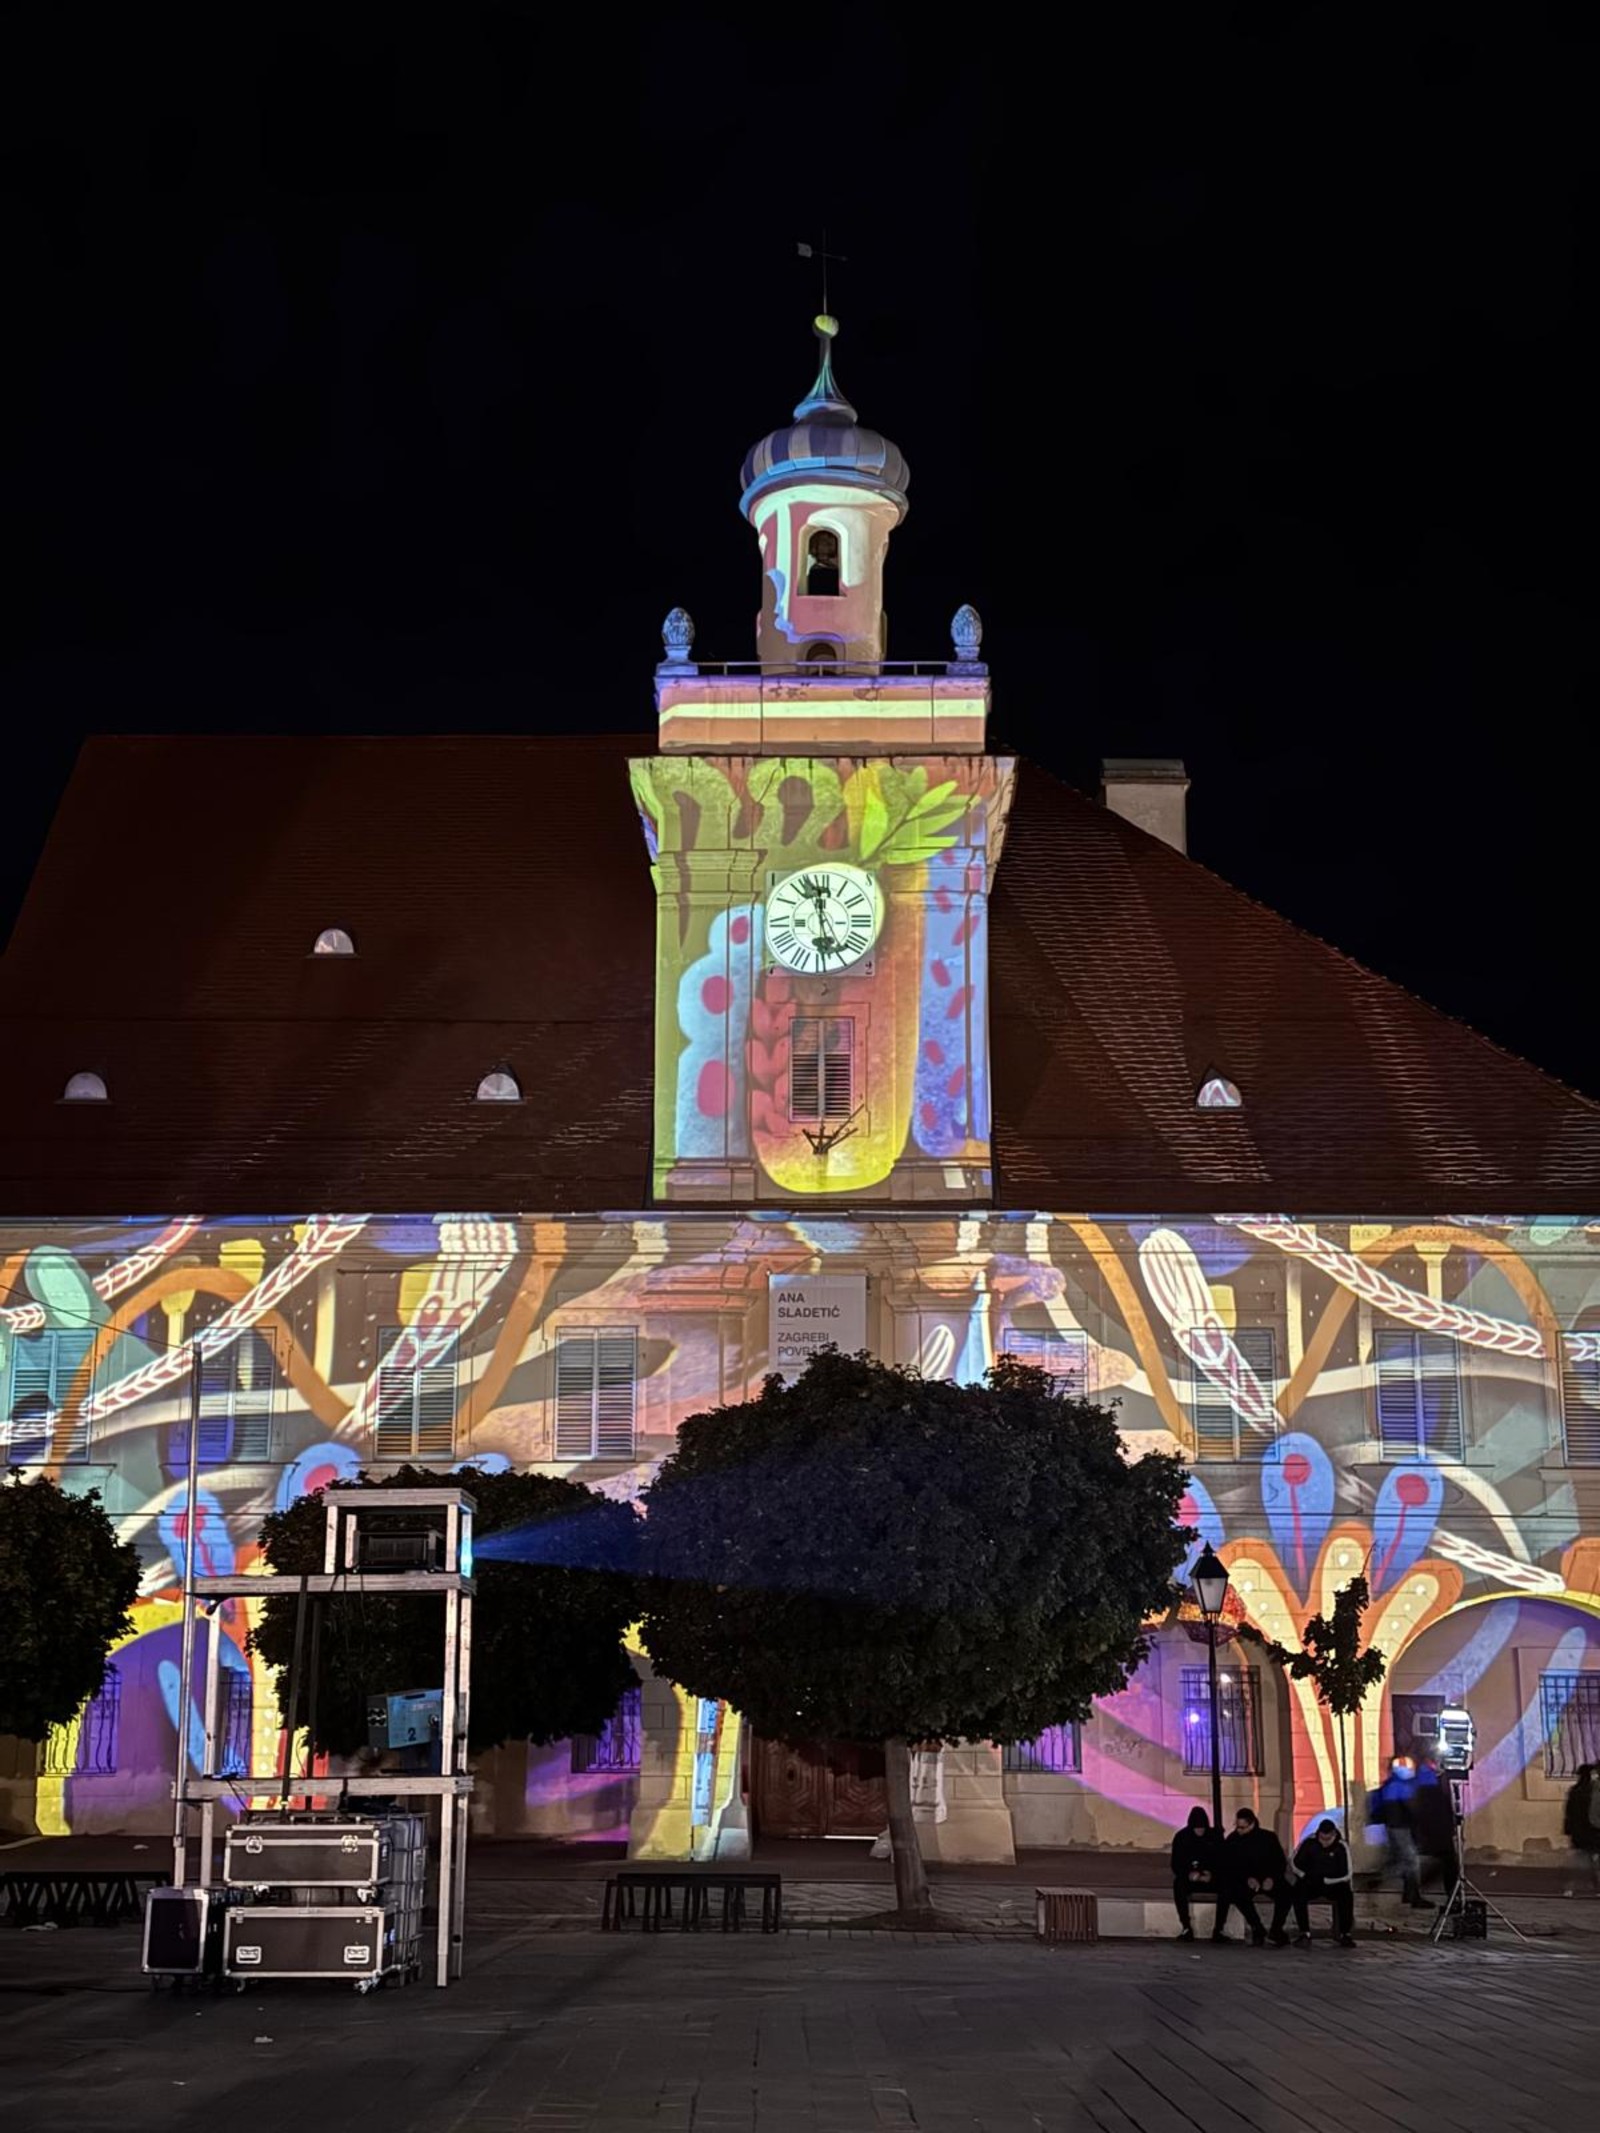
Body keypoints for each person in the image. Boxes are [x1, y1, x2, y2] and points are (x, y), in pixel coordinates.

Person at [1271, 1820, 1356, 1946]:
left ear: (1333, 1834)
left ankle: (1345, 1933)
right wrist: (1304, 1876)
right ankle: (1304, 1933)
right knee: (1298, 1893)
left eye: (1328, 1839)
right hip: (1311, 1882)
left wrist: (1328, 1880)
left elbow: (1347, 1873)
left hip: (1334, 1884)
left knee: (1346, 1895)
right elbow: (1295, 1862)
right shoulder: (1309, 1843)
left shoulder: (1341, 1846)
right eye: (1322, 1838)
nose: (1324, 1842)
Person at [1220, 1808, 1288, 1945]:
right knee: (1237, 1894)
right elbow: (1229, 1865)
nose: (1239, 1830)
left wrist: (1271, 1878)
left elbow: (1280, 1861)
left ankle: (1276, 1929)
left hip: (1268, 1879)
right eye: (1237, 1826)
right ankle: (1257, 1927)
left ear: (1251, 1824)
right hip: (1246, 1880)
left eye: (1242, 1827)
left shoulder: (1268, 1838)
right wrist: (1247, 1878)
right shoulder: (1233, 1840)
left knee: (1286, 1893)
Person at [1376, 1754, 1425, 1907]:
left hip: (1395, 1827)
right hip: (1400, 1827)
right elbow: (1410, 1808)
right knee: (1411, 1861)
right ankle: (1413, 1896)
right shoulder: (1398, 1786)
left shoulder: (1390, 1785)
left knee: (1401, 1860)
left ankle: (1408, 1894)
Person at [1171, 1805, 1223, 1940]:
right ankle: (1186, 1927)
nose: (1200, 1831)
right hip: (1191, 1878)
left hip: (1210, 1877)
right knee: (1179, 1885)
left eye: (1202, 1828)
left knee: (1227, 1886)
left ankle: (1219, 1929)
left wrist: (1212, 1873)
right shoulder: (1182, 1837)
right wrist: (1189, 1874)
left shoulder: (1214, 1836)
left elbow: (1222, 1859)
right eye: (1197, 1828)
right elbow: (1176, 1863)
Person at [1413, 1755, 1458, 1905]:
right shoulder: (1427, 1782)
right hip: (1437, 1831)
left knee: (1448, 1864)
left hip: (1440, 1830)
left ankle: (1452, 1896)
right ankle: (1451, 1896)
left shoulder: (1433, 1781)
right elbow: (1431, 1807)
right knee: (1447, 1864)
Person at [1562, 1764, 1600, 1894]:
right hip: (1591, 1830)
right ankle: (1592, 1884)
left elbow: (1569, 1811)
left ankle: (1587, 1884)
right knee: (1590, 1859)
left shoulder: (1576, 1790)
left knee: (1585, 1860)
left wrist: (1568, 1828)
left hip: (1582, 1830)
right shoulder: (1590, 1791)